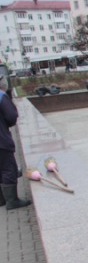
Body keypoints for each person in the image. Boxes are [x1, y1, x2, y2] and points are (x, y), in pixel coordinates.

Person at [0, 77, 31, 210]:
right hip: (1, 141)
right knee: (8, 168)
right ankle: (12, 201)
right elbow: (11, 116)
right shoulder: (1, 96)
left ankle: (1, 199)